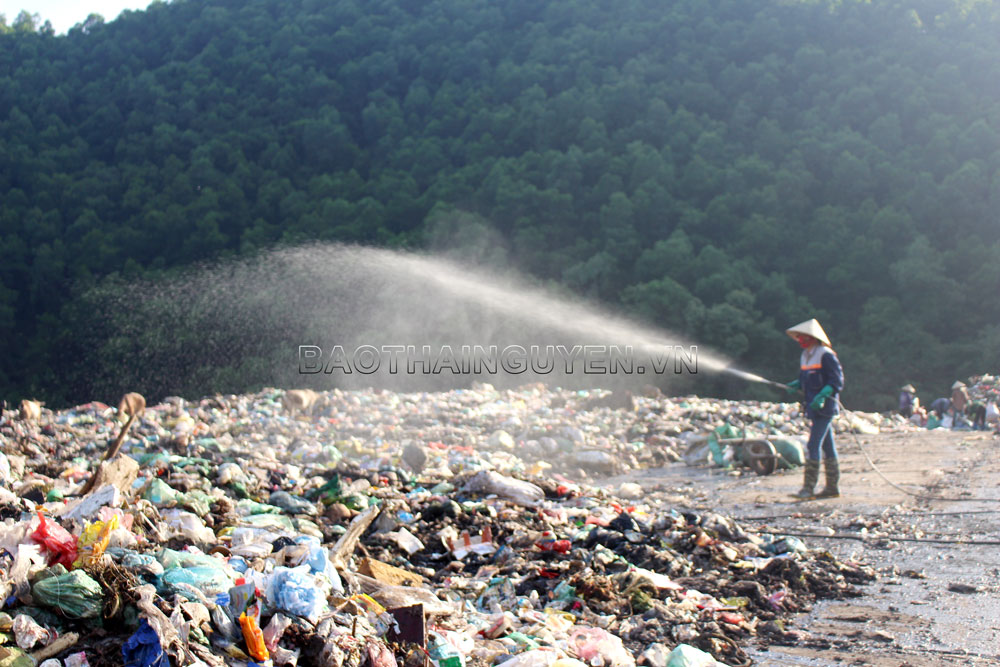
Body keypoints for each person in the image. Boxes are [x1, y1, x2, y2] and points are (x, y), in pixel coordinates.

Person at [784, 318, 844, 498]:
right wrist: (796, 384)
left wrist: (822, 395)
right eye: (799, 337)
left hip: (825, 407)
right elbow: (805, 378)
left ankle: (808, 488)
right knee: (828, 446)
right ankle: (832, 488)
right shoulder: (806, 356)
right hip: (812, 406)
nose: (800, 340)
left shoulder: (825, 354)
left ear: (812, 337)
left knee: (813, 444)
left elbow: (836, 380)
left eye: (803, 337)